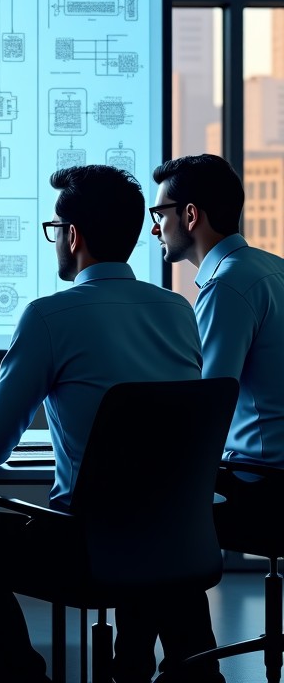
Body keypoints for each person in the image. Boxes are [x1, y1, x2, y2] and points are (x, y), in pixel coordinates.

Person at [0, 164, 221, 683]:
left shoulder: (49, 316)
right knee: (143, 519)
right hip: (175, 543)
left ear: (72, 235)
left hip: (89, 553)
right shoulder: (178, 311)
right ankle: (136, 665)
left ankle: (27, 679)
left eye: (53, 231)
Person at [151, 153, 284, 550]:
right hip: (272, 475)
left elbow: (206, 403)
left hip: (263, 486)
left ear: (190, 215)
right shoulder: (271, 268)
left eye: (159, 214)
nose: (156, 229)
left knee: (138, 517)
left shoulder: (226, 286)